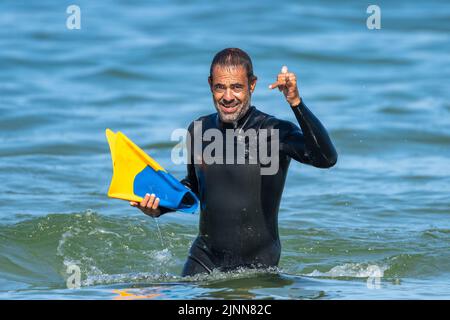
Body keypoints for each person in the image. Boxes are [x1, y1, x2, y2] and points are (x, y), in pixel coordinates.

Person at [130, 48, 337, 276]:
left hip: (256, 266)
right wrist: (159, 206)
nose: (228, 97)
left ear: (252, 85)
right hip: (204, 257)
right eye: (220, 87)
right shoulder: (199, 129)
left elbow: (326, 158)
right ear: (211, 85)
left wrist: (296, 102)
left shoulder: (274, 131)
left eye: (236, 87)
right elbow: (195, 187)